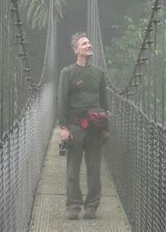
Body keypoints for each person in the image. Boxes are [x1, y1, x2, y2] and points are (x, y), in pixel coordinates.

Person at [57, 32, 109, 220]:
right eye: (84, 43)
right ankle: (73, 207)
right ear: (75, 50)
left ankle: (91, 207)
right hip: (75, 127)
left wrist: (106, 128)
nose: (89, 46)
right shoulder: (67, 73)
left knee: (94, 170)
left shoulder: (99, 73)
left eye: (89, 43)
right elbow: (62, 101)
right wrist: (63, 127)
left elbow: (104, 102)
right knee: (72, 170)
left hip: (95, 128)